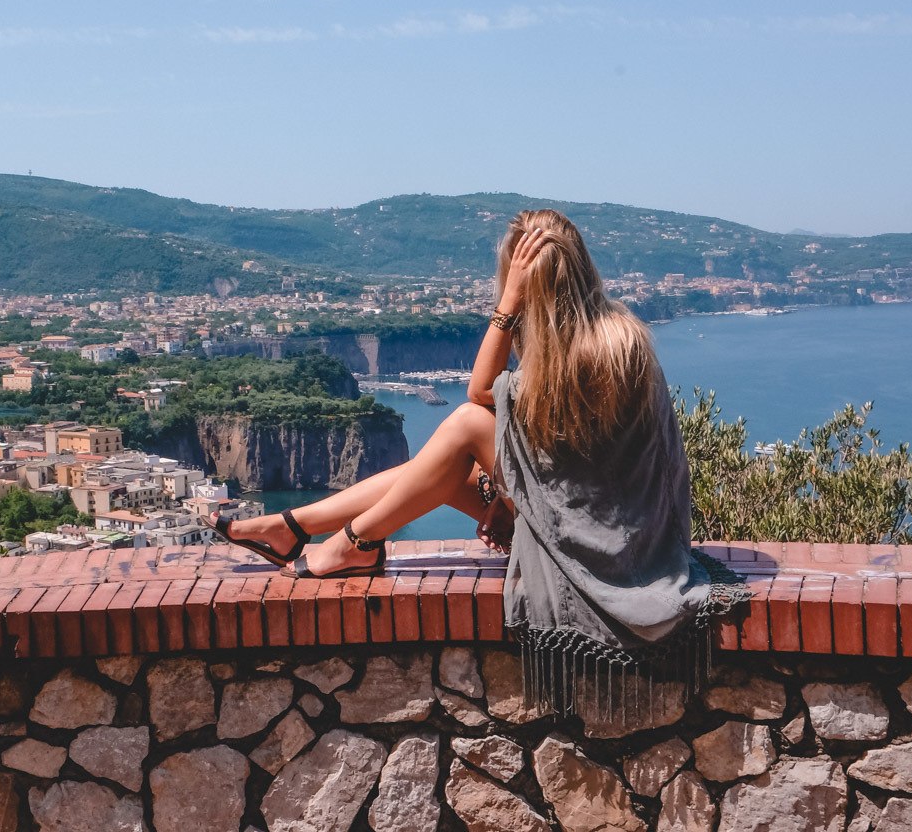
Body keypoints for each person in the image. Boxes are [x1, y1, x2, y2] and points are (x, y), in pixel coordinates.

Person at [210, 208, 744, 718]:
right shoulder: (620, 333)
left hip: (600, 553)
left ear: (528, 279)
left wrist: (508, 303)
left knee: (464, 425)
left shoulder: (598, 349)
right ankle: (294, 526)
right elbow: (579, 474)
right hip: (616, 534)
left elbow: (479, 392)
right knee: (448, 467)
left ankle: (353, 542)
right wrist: (514, 501)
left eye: (515, 276)